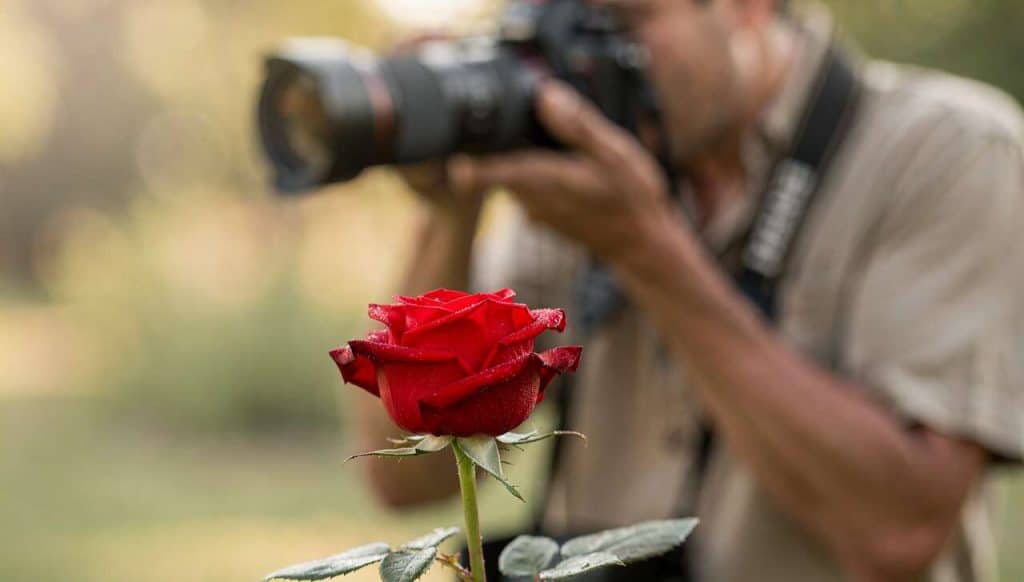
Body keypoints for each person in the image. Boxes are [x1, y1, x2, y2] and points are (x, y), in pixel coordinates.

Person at [356, 0, 1024, 580]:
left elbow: (898, 533)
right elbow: (407, 478)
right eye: (553, 23)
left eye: (617, 20)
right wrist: (452, 206)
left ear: (749, 5)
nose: (574, 60)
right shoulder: (585, 169)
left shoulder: (948, 152)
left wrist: (646, 251)